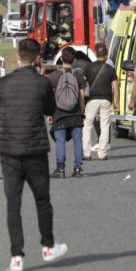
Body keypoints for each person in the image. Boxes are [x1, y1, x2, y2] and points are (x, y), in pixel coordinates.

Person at [0, 38, 67, 271]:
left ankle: (16, 257)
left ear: (17, 57)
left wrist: (3, 142)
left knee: (13, 204)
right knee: (42, 199)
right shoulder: (41, 83)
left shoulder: (1, 84)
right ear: (37, 59)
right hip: (35, 151)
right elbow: (50, 110)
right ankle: (48, 246)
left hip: (9, 153)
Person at [48, 47, 86, 178]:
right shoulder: (78, 76)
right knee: (77, 141)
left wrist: (49, 114)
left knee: (60, 142)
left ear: (61, 58)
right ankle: (77, 169)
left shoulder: (54, 76)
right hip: (75, 113)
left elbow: (51, 97)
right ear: (74, 60)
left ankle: (60, 169)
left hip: (60, 113)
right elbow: (81, 97)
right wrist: (81, 112)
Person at [82, 44, 119, 161]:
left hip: (92, 99)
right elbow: (116, 87)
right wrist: (117, 103)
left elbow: (82, 85)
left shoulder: (88, 67)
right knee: (105, 125)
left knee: (87, 125)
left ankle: (87, 153)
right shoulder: (110, 69)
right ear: (106, 55)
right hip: (106, 100)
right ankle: (102, 154)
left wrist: (81, 102)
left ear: (96, 54)